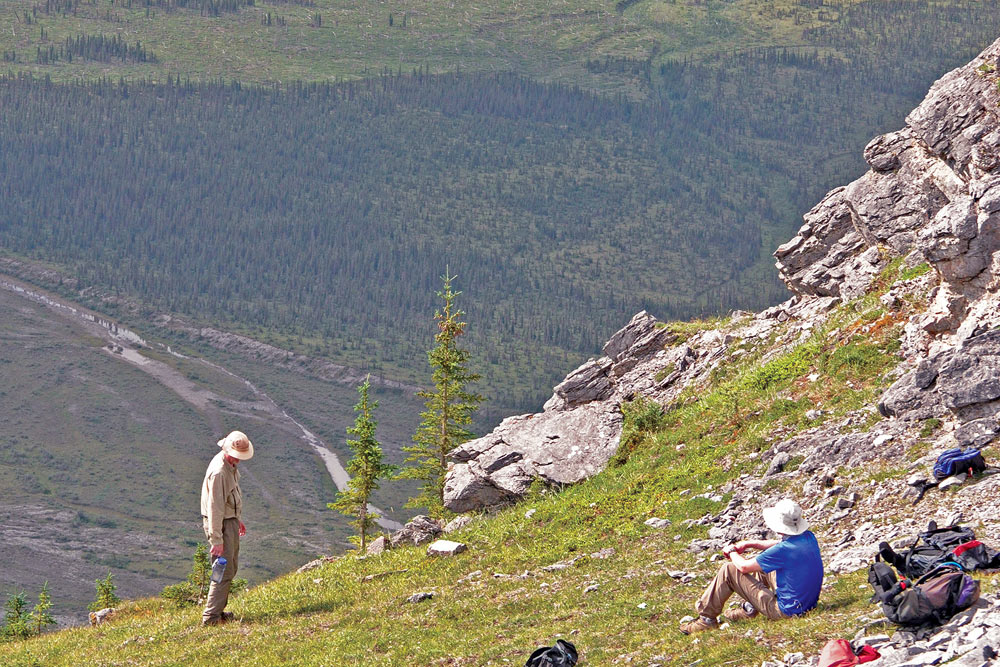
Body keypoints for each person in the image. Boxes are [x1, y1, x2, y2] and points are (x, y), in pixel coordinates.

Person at [680, 498, 823, 634]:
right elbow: (778, 545)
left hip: (787, 611)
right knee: (763, 568)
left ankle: (706, 619)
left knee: (729, 570)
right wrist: (750, 544)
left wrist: (731, 551)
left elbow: (744, 567)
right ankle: (750, 608)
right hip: (807, 604)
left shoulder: (783, 550)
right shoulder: (808, 537)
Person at [200, 430, 254, 626]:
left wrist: (235, 519)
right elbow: (215, 507)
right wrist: (217, 540)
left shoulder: (228, 464)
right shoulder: (220, 472)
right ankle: (211, 617)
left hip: (228, 520)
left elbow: (226, 499)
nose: (238, 460)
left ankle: (219, 612)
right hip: (220, 525)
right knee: (222, 570)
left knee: (230, 567)